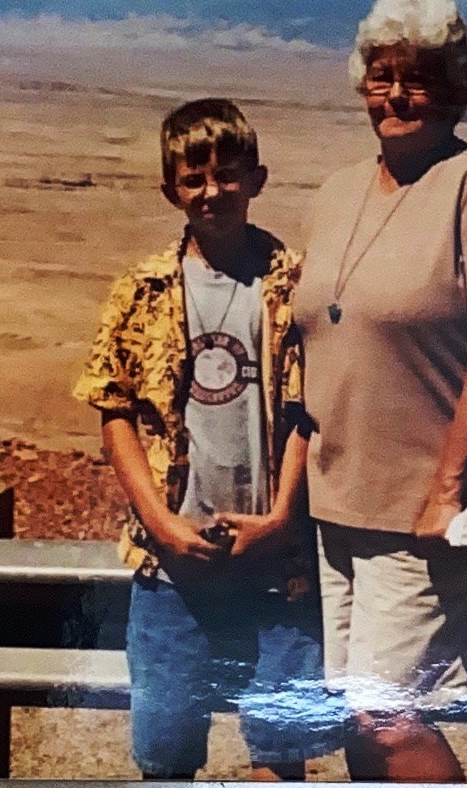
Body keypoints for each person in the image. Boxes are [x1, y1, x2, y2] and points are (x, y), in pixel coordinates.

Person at [295, 0, 467, 781]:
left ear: (454, 88)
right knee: (355, 711)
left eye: (417, 78)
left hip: (424, 510)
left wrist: (447, 489)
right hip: (335, 501)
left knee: (385, 717)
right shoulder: (336, 192)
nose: (396, 95)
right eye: (381, 76)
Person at [73, 98, 341, 780]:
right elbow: (114, 412)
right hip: (174, 565)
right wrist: (161, 525)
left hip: (277, 563)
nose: (211, 192)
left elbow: (308, 411)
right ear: (171, 190)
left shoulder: (296, 285)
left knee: (279, 753)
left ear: (257, 179)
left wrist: (281, 519)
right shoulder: (141, 290)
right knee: (165, 753)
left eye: (226, 175)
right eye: (193, 180)